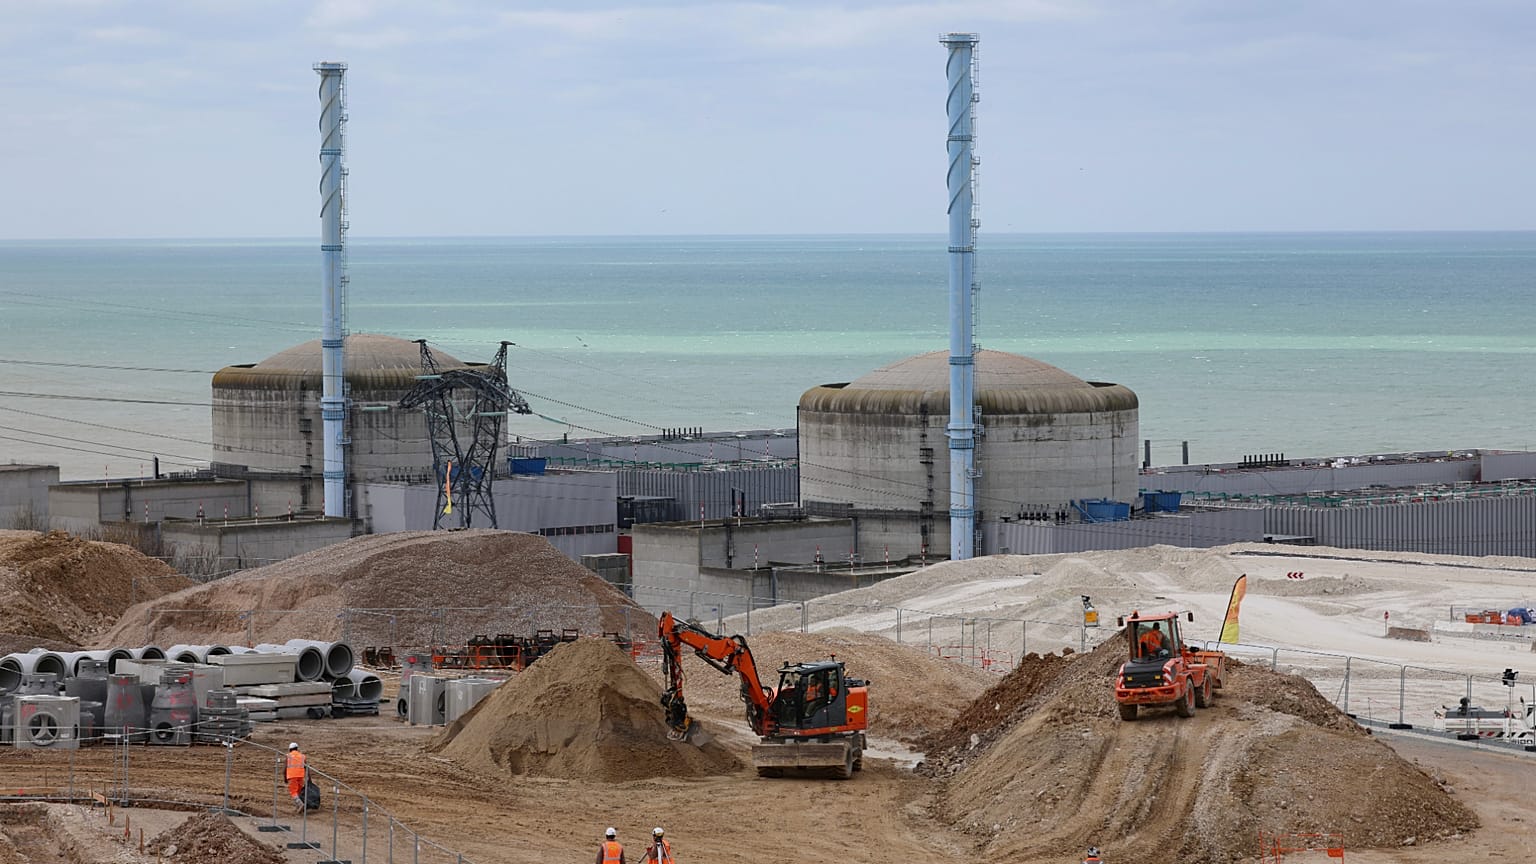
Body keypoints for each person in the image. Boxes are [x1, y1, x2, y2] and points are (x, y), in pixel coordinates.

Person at [284, 742, 307, 813]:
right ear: (297, 748)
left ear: (290, 749)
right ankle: (298, 808)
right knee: (298, 792)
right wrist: (309, 778)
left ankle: (300, 804)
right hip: (300, 776)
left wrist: (285, 777)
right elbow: (306, 767)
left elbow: (285, 768)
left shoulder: (288, 756)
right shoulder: (302, 756)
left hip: (292, 776)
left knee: (293, 792)